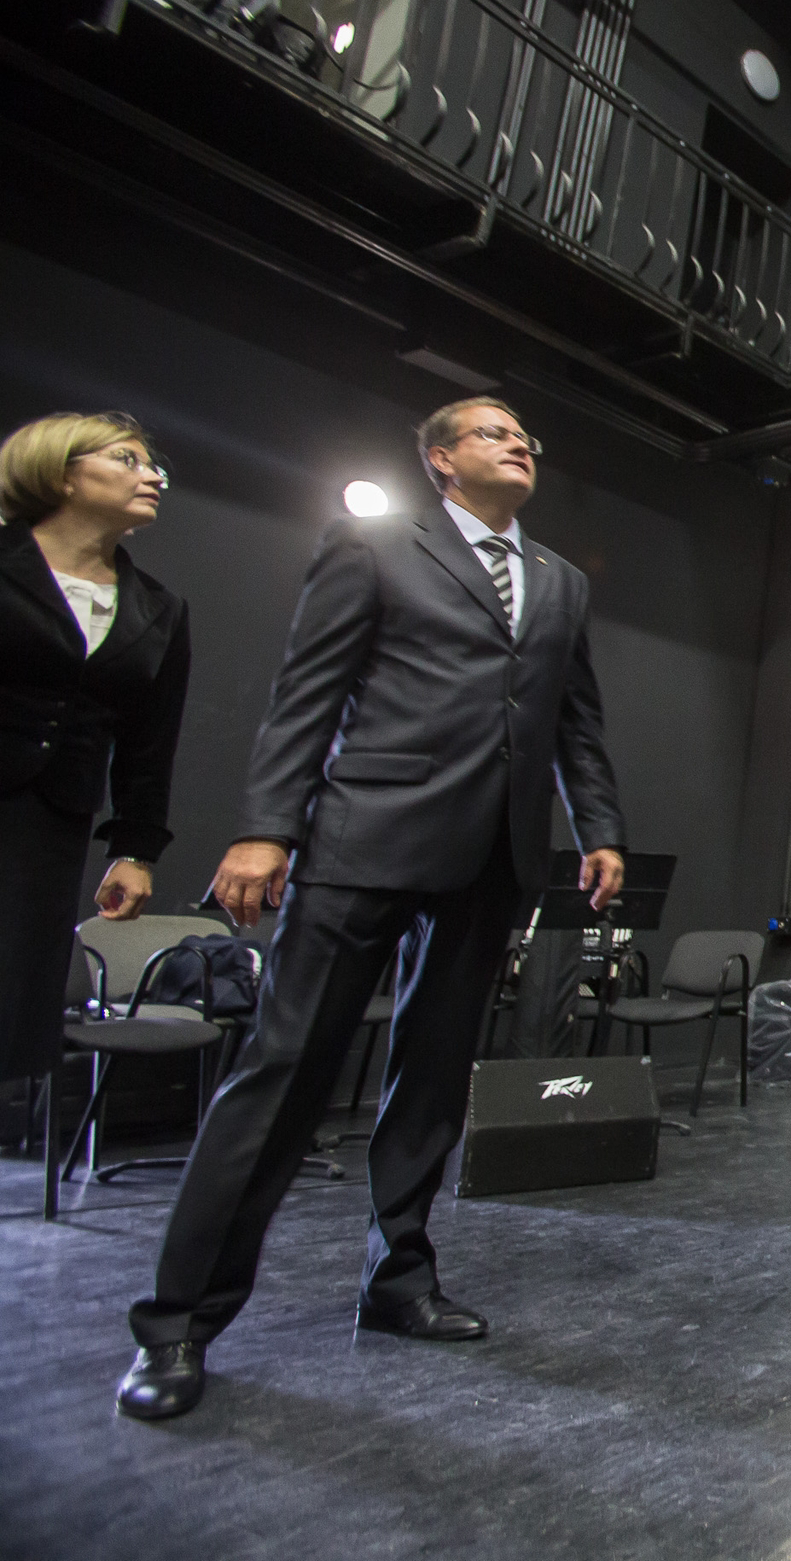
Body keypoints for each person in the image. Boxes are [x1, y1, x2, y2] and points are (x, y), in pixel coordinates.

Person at [117, 398, 626, 1423]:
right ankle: (178, 1323)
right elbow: (308, 691)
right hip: (366, 838)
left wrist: (600, 827)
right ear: (440, 460)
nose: (517, 443)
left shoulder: (560, 580)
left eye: (525, 436)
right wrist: (268, 828)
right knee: (284, 1073)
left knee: (432, 1081)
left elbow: (576, 721)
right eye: (490, 433)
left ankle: (398, 1279)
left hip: (493, 856)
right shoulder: (375, 544)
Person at [0, 414, 190, 1110]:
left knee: (10, 995)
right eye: (126, 460)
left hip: (48, 826)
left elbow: (149, 741)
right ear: (62, 473)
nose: (152, 477)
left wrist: (135, 850)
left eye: (153, 466)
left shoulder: (159, 608)